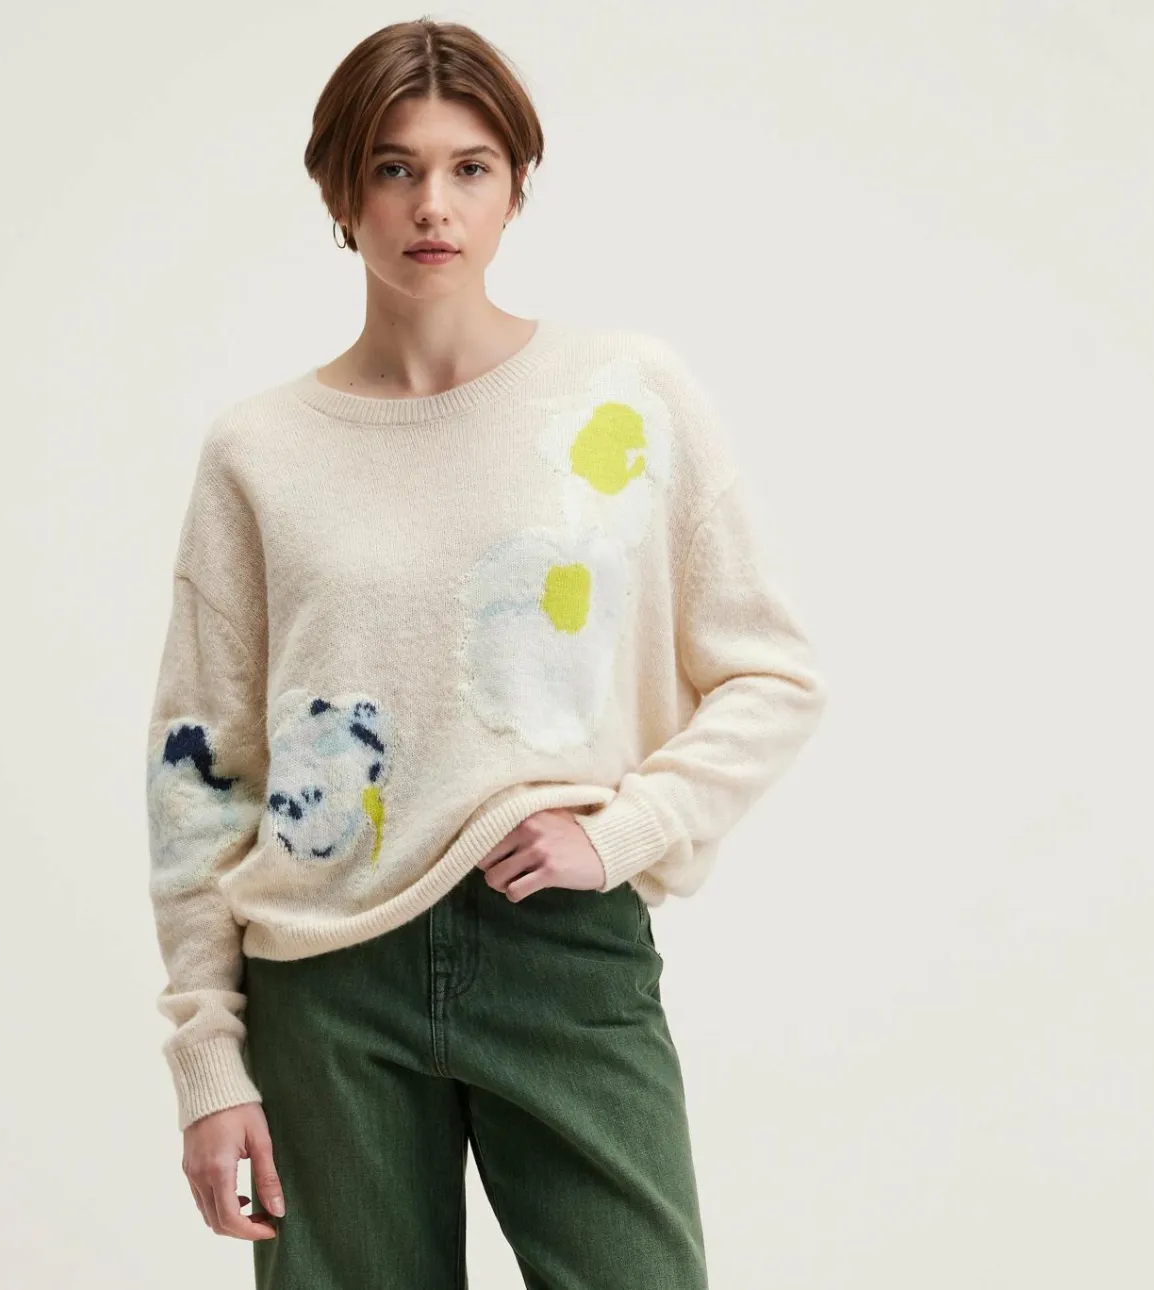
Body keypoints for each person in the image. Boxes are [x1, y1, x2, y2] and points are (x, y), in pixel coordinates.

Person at [146, 18, 828, 1288]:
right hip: (324, 980)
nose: (432, 205)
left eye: (469, 168)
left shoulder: (624, 396)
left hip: (557, 945)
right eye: (393, 168)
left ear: (516, 187)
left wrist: (625, 830)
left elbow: (771, 672)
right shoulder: (259, 451)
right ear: (339, 193)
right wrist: (208, 1057)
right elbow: (202, 772)